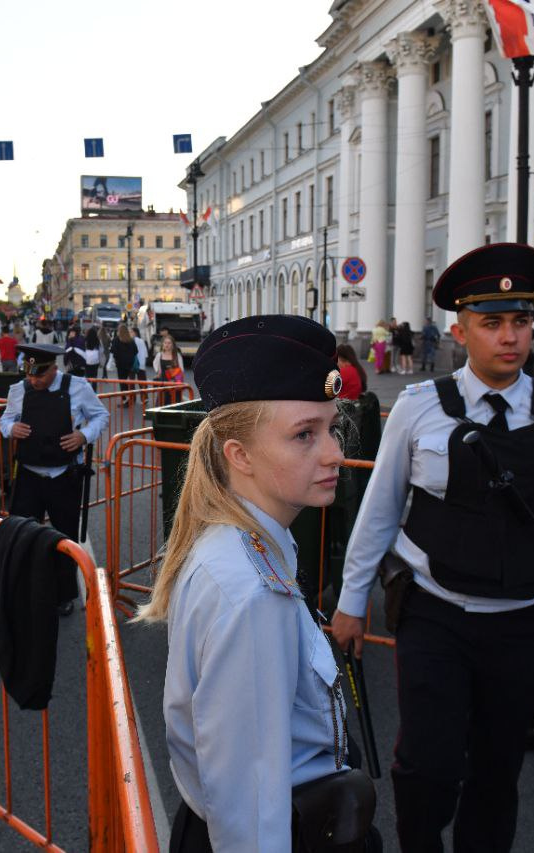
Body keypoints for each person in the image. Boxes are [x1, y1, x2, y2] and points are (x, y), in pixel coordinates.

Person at [331, 243, 534, 852]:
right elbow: (377, 514)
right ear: (460, 330)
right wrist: (351, 602)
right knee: (426, 769)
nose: (510, 337)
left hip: (524, 626)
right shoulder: (420, 409)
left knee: (497, 774)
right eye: (492, 322)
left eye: (521, 322)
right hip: (435, 617)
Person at [136, 314, 369, 852]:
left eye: (331, 428)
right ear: (238, 456)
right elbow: (250, 806)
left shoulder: (250, 542)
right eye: (304, 435)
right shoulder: (251, 590)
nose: (334, 452)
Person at [0, 343, 109, 615]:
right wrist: (12, 427)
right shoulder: (19, 390)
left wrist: (84, 435)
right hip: (28, 475)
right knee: (22, 535)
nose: (34, 380)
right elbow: (4, 421)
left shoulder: (77, 386)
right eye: (30, 375)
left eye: (40, 376)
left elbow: (101, 416)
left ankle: (63, 594)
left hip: (64, 476)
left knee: (65, 538)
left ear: (54, 369)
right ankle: (22, 590)